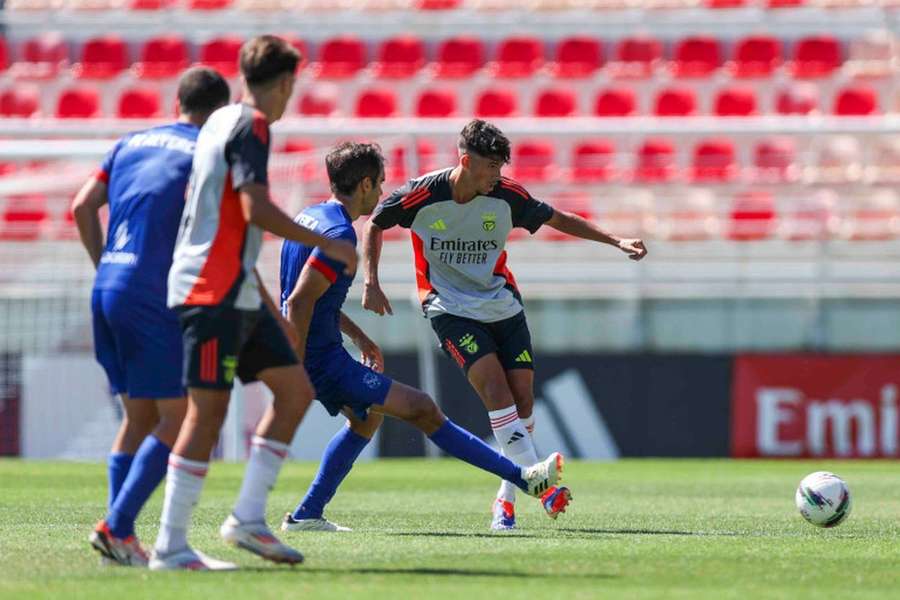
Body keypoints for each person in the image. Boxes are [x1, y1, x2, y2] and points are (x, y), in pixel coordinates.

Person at [362, 119, 648, 530]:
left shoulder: (507, 196)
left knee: (523, 401)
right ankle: (544, 490)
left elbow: (557, 218)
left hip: (503, 306)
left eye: (501, 166)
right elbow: (376, 222)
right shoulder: (422, 194)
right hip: (448, 307)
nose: (498, 174)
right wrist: (371, 281)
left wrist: (615, 241)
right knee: (497, 393)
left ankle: (506, 499)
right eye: (492, 166)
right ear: (466, 161)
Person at [278, 141, 565, 533]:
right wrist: (292, 370)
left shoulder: (309, 217)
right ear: (364, 184)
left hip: (322, 351)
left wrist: (362, 339)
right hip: (319, 360)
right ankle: (524, 479)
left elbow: (313, 298)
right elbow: (298, 303)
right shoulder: (341, 234)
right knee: (423, 408)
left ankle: (308, 513)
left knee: (365, 423)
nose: (382, 192)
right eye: (379, 183)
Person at [148, 35, 357, 571]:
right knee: (207, 414)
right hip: (209, 290)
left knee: (293, 391)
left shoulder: (218, 120)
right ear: (286, 83)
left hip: (234, 288)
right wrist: (325, 243)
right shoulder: (252, 126)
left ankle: (247, 520)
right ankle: (170, 545)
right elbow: (254, 206)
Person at [72, 67, 231, 566]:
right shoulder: (205, 150)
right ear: (219, 113)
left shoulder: (130, 141)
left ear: (179, 101)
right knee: (181, 417)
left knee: (139, 416)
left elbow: (81, 207)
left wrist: (106, 269)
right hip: (150, 292)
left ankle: (119, 542)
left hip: (108, 286)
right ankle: (117, 527)